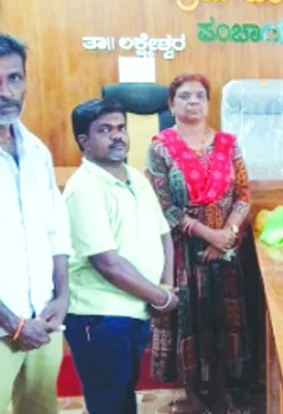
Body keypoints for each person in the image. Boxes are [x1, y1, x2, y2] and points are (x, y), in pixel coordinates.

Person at [62, 98, 178, 414]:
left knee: (125, 395)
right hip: (100, 317)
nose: (117, 136)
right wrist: (160, 298)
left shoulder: (135, 177)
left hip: (136, 310)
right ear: (84, 141)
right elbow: (108, 264)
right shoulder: (83, 189)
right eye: (104, 130)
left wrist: (166, 288)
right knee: (109, 402)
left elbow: (164, 234)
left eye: (121, 128)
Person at [146, 73, 252, 414]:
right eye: (184, 96)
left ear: (208, 103)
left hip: (226, 251)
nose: (192, 102)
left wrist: (226, 236)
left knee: (224, 320)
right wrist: (210, 235)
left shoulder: (228, 144)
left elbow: (243, 195)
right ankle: (191, 394)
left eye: (199, 96)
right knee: (188, 323)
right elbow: (164, 205)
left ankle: (221, 390)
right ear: (171, 104)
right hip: (183, 253)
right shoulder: (160, 147)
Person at [0, 34, 71, 414]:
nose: (5, 92)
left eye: (13, 78)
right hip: (5, 326)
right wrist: (11, 322)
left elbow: (55, 230)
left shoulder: (36, 151)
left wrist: (62, 296)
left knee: (40, 409)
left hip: (42, 320)